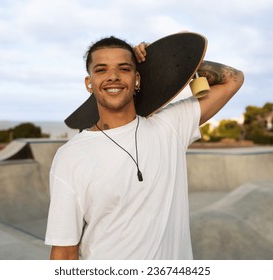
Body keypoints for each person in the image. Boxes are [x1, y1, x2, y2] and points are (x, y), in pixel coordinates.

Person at [45, 35, 244, 260]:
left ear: (137, 78)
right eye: (101, 70)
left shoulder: (171, 126)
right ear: (89, 83)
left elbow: (233, 79)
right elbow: (64, 251)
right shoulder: (70, 156)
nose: (113, 76)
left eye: (124, 69)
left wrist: (160, 60)